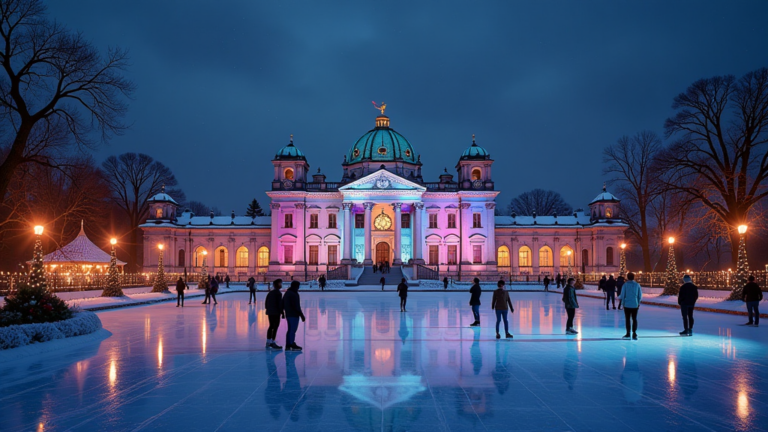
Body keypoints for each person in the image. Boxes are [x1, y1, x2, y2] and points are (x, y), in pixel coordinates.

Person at [281, 280, 305, 351]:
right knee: (292, 330)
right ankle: (291, 343)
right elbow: (297, 306)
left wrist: (283, 312)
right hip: (294, 314)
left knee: (290, 330)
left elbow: (282, 303)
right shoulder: (294, 294)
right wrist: (301, 315)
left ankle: (288, 344)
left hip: (288, 313)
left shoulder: (287, 293)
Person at [618, 272, 642, 340]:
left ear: (628, 277)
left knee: (627, 319)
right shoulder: (637, 285)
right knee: (634, 319)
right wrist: (638, 302)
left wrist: (621, 300)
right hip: (635, 304)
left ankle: (628, 333)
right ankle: (634, 333)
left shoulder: (625, 285)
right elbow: (640, 295)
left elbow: (622, 295)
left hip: (627, 305)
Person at [265, 279, 284, 349]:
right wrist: (282, 312)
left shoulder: (270, 293)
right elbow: (280, 304)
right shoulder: (278, 293)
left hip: (270, 312)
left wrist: (268, 309)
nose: (281, 285)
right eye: (280, 284)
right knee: (275, 327)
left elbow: (266, 302)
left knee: (271, 326)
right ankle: (272, 341)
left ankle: (268, 341)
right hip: (275, 312)